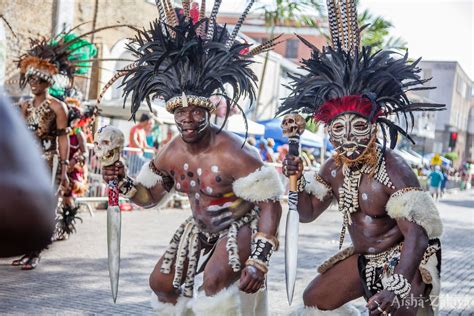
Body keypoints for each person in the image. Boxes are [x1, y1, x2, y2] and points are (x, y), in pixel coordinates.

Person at [98, 1, 283, 314]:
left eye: (196, 111)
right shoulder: (172, 151)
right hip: (197, 228)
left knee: (214, 282)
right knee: (161, 283)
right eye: (179, 112)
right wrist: (125, 183)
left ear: (208, 111)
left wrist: (259, 258)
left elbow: (270, 203)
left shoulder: (232, 151)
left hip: (239, 224)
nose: (187, 119)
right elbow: (151, 196)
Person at [279, 1, 444, 314]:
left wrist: (397, 286)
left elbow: (418, 237)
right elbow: (306, 213)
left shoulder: (393, 168)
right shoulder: (333, 168)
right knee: (315, 300)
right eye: (339, 129)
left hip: (406, 258)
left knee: (392, 309)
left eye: (358, 126)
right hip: (363, 257)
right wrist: (296, 181)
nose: (348, 137)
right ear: (329, 133)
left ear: (373, 128)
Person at [0, 94, 56, 258]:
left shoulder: (56, 107)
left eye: (37, 79)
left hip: (43, 162)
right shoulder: (23, 107)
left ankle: (33, 256)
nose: (33, 83)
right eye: (31, 79)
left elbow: (34, 218)